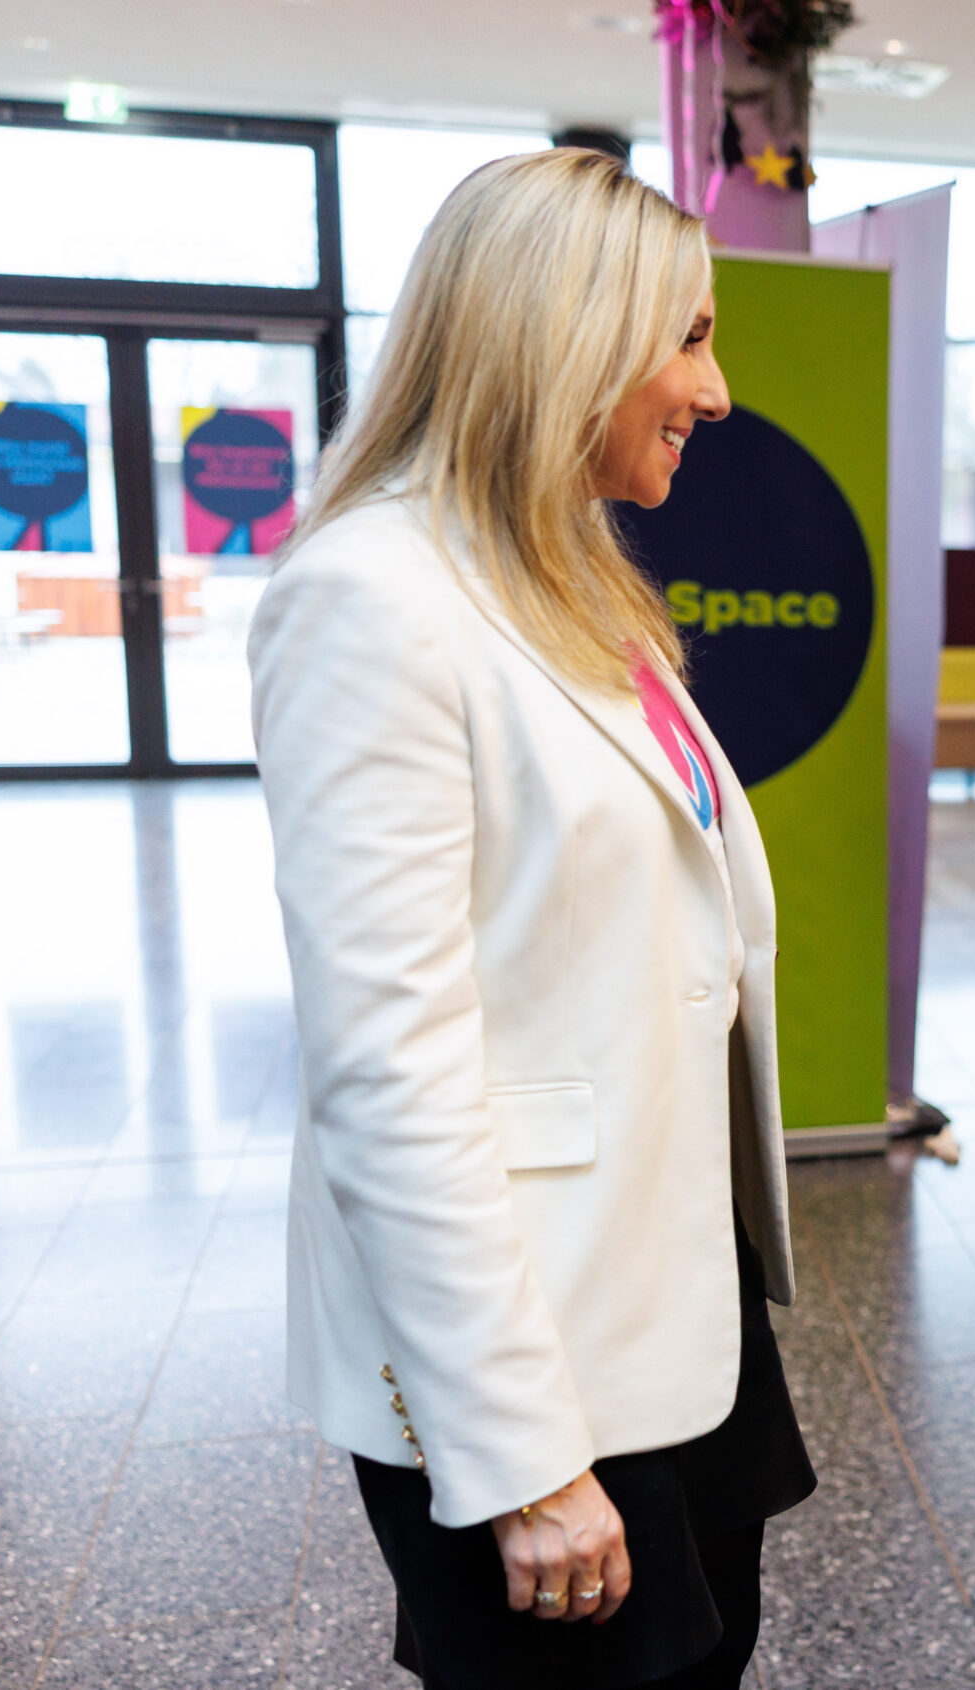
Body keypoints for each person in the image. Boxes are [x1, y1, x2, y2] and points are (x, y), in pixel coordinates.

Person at [250, 149, 815, 1690]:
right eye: (688, 337)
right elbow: (389, 1067)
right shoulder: (374, 598)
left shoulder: (569, 579)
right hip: (525, 1335)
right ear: (565, 334)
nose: (715, 391)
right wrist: (515, 1452)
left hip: (666, 1283)